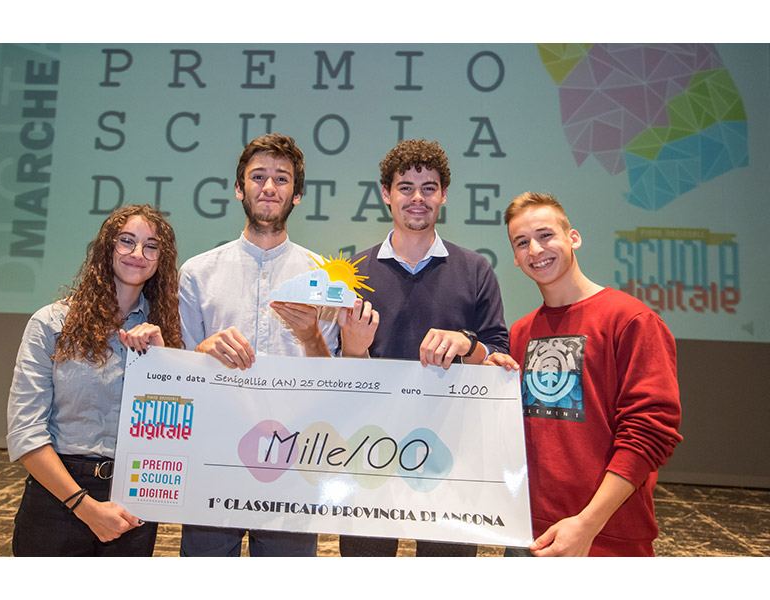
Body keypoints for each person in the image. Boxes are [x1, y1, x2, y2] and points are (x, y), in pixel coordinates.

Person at [485, 191, 683, 556]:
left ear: (573, 238)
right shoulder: (521, 332)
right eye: (522, 242)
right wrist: (492, 389)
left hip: (604, 537)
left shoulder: (631, 320)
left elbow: (650, 432)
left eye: (545, 235)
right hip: (527, 536)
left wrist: (588, 523)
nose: (535, 250)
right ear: (514, 258)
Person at [338, 139, 509, 557]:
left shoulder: (475, 270)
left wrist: (467, 344)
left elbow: (498, 354)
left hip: (452, 454)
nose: (418, 197)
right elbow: (338, 375)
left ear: (443, 195)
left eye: (429, 188)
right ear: (385, 194)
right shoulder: (353, 273)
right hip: (370, 451)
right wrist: (355, 350)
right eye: (406, 187)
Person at [177, 133, 339, 557]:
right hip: (212, 456)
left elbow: (334, 381)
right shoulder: (197, 273)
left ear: (297, 195)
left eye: (282, 179)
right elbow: (176, 373)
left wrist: (312, 336)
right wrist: (201, 354)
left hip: (294, 459)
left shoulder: (324, 279)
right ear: (239, 188)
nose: (269, 187)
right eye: (258, 176)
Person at [6, 204, 182, 556]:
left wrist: (164, 361)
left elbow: (175, 431)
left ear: (161, 260)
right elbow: (25, 432)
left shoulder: (166, 333)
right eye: (127, 241)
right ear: (106, 248)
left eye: (151, 246)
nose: (138, 253)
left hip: (133, 500)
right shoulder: (51, 324)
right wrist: (85, 507)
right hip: (56, 499)